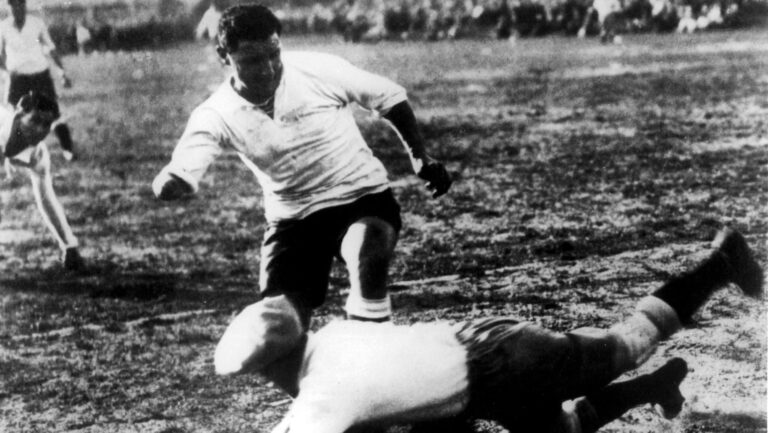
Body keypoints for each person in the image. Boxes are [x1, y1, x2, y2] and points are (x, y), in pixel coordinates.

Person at [214, 227, 763, 433]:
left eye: (263, 378)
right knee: (563, 432)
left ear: (276, 368)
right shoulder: (333, 337)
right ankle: (655, 388)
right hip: (482, 356)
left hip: (504, 365)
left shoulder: (327, 394)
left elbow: (308, 417)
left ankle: (720, 263)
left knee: (633, 340)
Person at [153, 5, 451, 326]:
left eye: (274, 54)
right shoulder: (216, 112)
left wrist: (419, 156)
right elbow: (182, 166)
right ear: (224, 56)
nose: (268, 69)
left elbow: (388, 96)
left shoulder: (318, 68)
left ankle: (369, 345)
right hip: (292, 220)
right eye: (252, 60)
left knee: (369, 257)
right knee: (279, 327)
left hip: (361, 197)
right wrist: (171, 182)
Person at [1, 91, 84, 271]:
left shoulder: (37, 154)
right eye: (35, 120)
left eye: (47, 124)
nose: (40, 130)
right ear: (18, 115)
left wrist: (69, 245)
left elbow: (46, 199)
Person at [0, 0, 76, 161]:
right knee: (14, 116)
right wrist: (7, 72)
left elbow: (51, 48)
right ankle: (15, 153)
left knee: (52, 114)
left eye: (20, 3)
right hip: (18, 78)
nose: (17, 7)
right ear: (9, 6)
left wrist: (62, 72)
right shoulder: (3, 27)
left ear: (25, 5)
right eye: (13, 4)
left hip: (39, 75)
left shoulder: (36, 23)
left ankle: (67, 149)